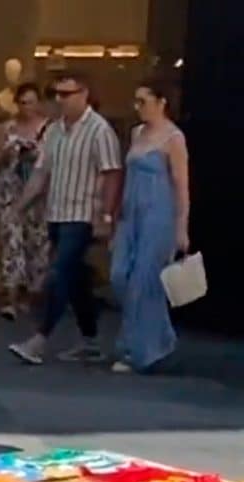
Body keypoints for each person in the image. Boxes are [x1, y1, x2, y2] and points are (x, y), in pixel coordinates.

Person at [9, 71, 123, 365]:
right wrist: (20, 205)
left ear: (84, 94)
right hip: (57, 213)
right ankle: (90, 340)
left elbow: (112, 173)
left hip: (83, 215)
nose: (60, 100)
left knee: (58, 273)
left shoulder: (99, 130)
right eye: (56, 94)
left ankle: (39, 339)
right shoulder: (54, 131)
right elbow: (41, 173)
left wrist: (106, 215)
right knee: (75, 278)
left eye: (66, 94)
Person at [109, 80, 190, 374]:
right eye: (136, 101)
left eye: (143, 101)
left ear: (161, 102)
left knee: (144, 281)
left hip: (158, 215)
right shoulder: (136, 133)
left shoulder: (173, 138)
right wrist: (114, 214)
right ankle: (160, 336)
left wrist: (181, 227)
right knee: (119, 275)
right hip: (131, 214)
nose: (138, 107)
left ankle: (136, 349)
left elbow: (181, 186)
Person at [0, 82, 50, 320]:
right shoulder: (7, 128)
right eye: (22, 103)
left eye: (31, 102)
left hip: (39, 195)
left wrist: (36, 155)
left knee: (37, 245)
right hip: (11, 193)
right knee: (11, 244)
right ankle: (11, 298)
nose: (27, 108)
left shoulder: (50, 129)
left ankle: (33, 296)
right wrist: (7, 152)